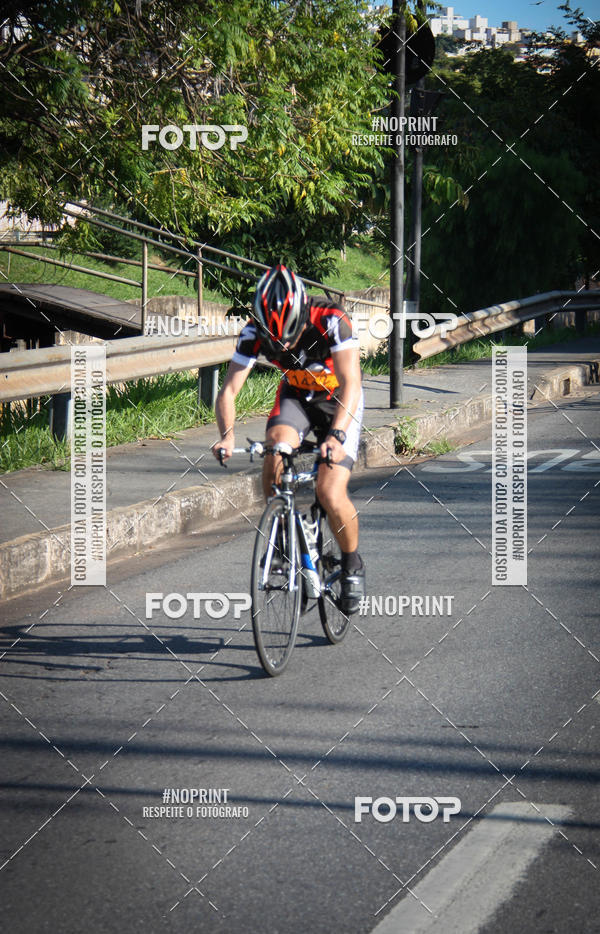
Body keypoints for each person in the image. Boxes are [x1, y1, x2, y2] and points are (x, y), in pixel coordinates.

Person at [212, 263, 366, 614]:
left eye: (290, 336)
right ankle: (283, 541)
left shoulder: (331, 319)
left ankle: (351, 563)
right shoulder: (253, 330)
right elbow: (229, 391)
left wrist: (337, 435)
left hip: (339, 400)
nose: (283, 345)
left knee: (329, 491)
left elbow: (352, 384)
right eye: (275, 339)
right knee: (274, 452)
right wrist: (226, 436)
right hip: (296, 397)